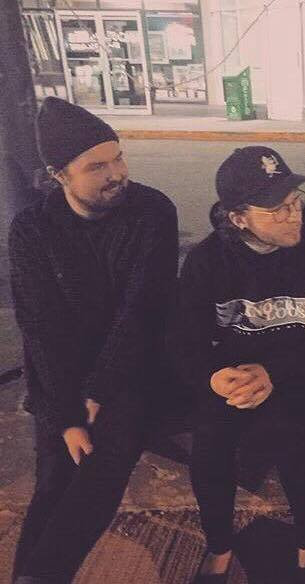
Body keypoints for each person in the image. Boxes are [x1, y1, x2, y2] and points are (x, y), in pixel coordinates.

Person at [9, 97, 178, 583]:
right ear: (58, 175)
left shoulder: (152, 211)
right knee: (54, 474)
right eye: (97, 166)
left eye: (118, 157)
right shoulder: (32, 230)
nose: (117, 173)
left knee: (103, 460)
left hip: (135, 363)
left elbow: (142, 310)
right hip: (61, 371)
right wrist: (67, 415)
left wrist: (98, 392)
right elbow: (41, 327)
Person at [172, 146, 305, 583]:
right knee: (210, 445)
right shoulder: (207, 261)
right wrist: (214, 378)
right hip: (232, 379)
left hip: (298, 375)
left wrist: (276, 373)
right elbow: (183, 340)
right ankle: (219, 548)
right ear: (238, 218)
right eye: (277, 210)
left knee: (298, 439)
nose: (294, 216)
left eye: (296, 201)